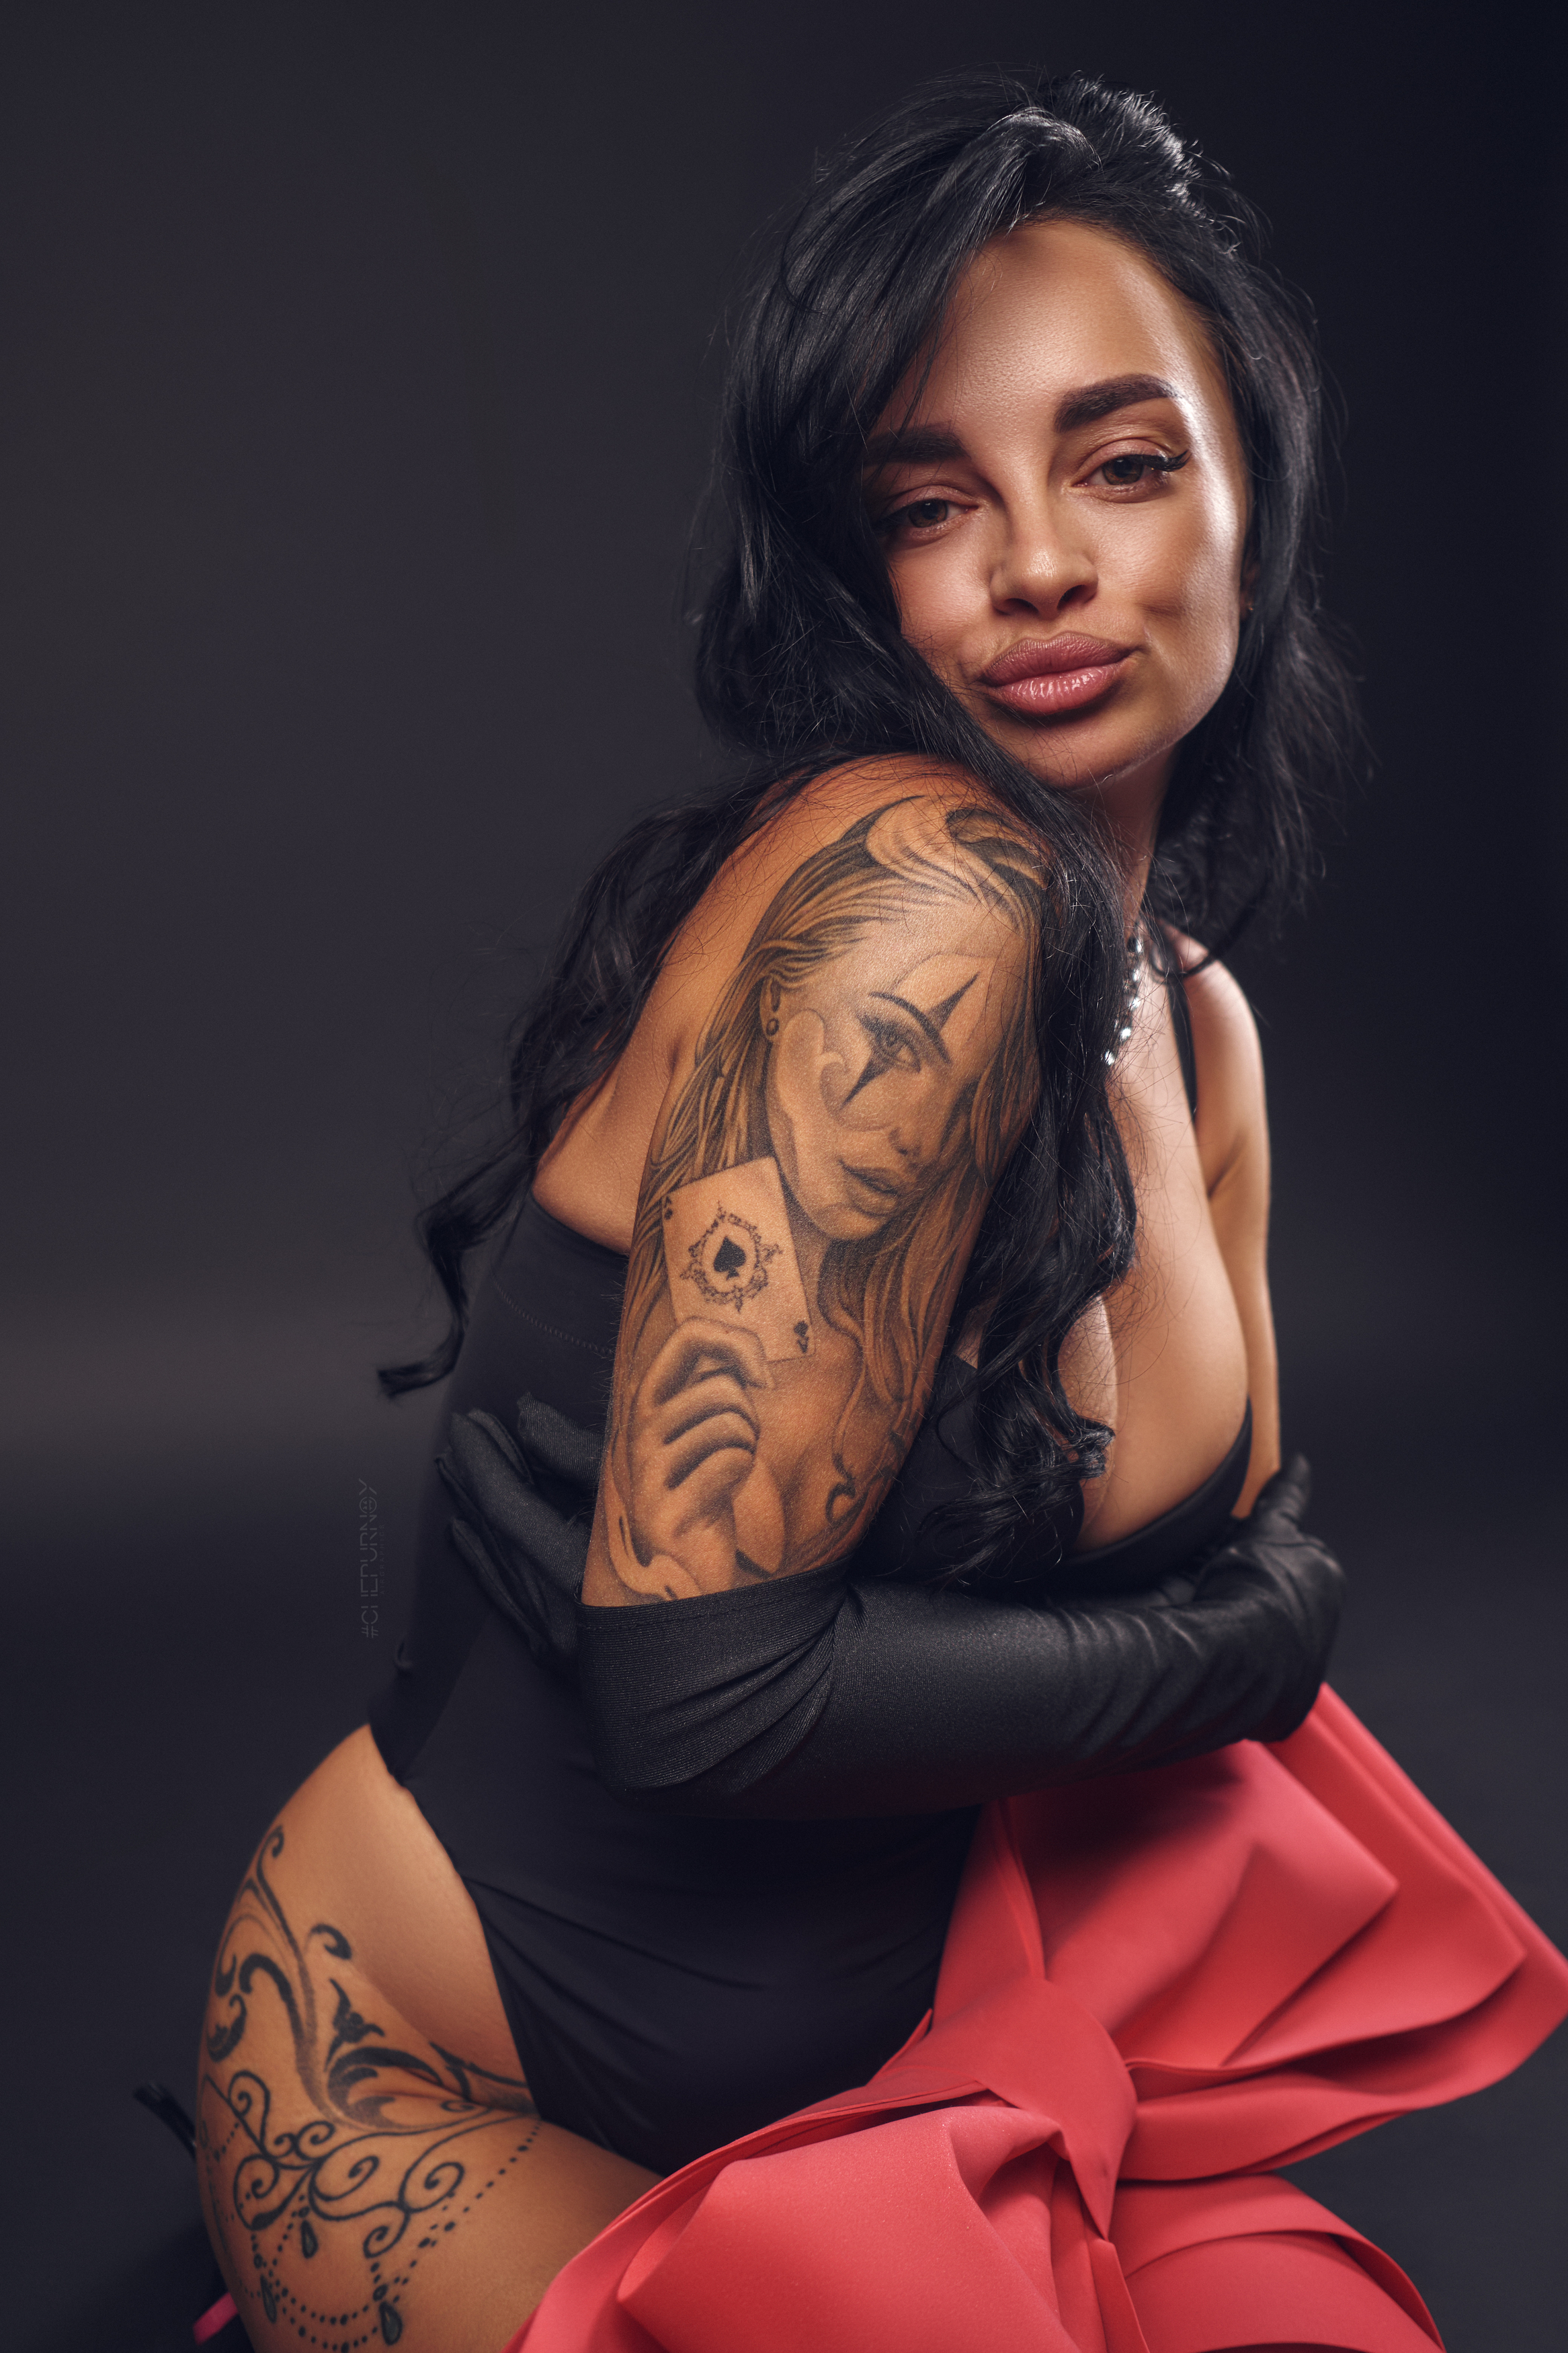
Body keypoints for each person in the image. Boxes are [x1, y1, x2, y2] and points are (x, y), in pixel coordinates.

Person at [194, 71, 1567, 2353]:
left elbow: (1223, 1551)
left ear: (1257, 488)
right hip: (434, 2078)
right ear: (861, 576)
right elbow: (717, 1708)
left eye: (1122, 462)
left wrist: (1193, 1626)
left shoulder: (1191, 1019)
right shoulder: (915, 905)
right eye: (933, 504)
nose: (1035, 565)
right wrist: (1243, 1647)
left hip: (930, 2074)